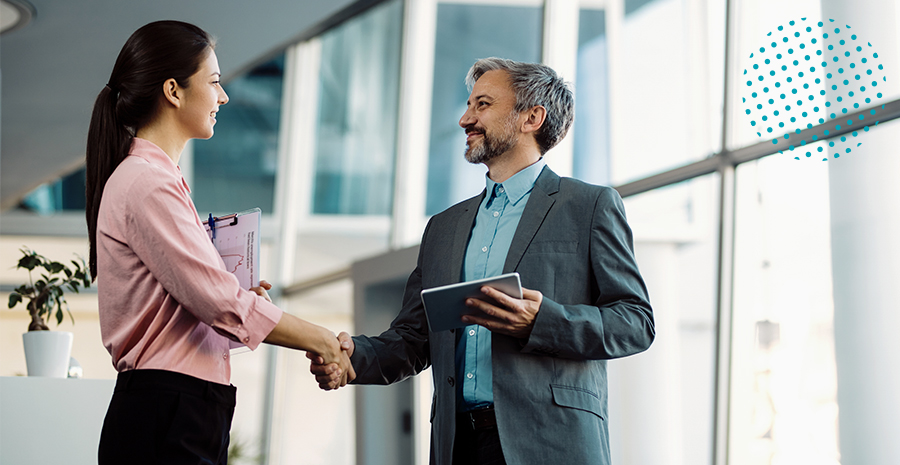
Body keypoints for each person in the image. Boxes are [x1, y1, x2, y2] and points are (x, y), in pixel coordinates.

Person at [309, 57, 655, 465]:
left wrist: (541, 321)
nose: (464, 119)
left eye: (482, 105)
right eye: (469, 105)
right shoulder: (443, 227)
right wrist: (353, 359)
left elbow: (635, 323)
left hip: (552, 443)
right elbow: (413, 338)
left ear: (532, 117)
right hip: (459, 445)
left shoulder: (589, 206)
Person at [85, 21, 353, 465]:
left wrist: (238, 301)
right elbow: (218, 302)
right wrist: (321, 339)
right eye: (213, 82)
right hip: (167, 409)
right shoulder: (147, 183)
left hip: (177, 406)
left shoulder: (154, 180)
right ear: (173, 90)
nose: (223, 96)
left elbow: (203, 305)